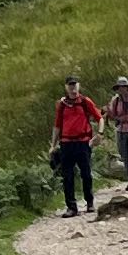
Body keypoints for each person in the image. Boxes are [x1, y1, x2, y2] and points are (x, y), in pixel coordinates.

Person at [49, 75, 103, 216]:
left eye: (74, 84)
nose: (73, 87)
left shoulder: (85, 102)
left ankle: (89, 203)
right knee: (67, 176)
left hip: (83, 142)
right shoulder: (62, 105)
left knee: (86, 174)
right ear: (66, 87)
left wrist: (100, 134)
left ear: (78, 86)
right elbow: (57, 126)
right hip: (66, 143)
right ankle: (71, 207)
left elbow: (99, 118)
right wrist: (53, 145)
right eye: (70, 85)